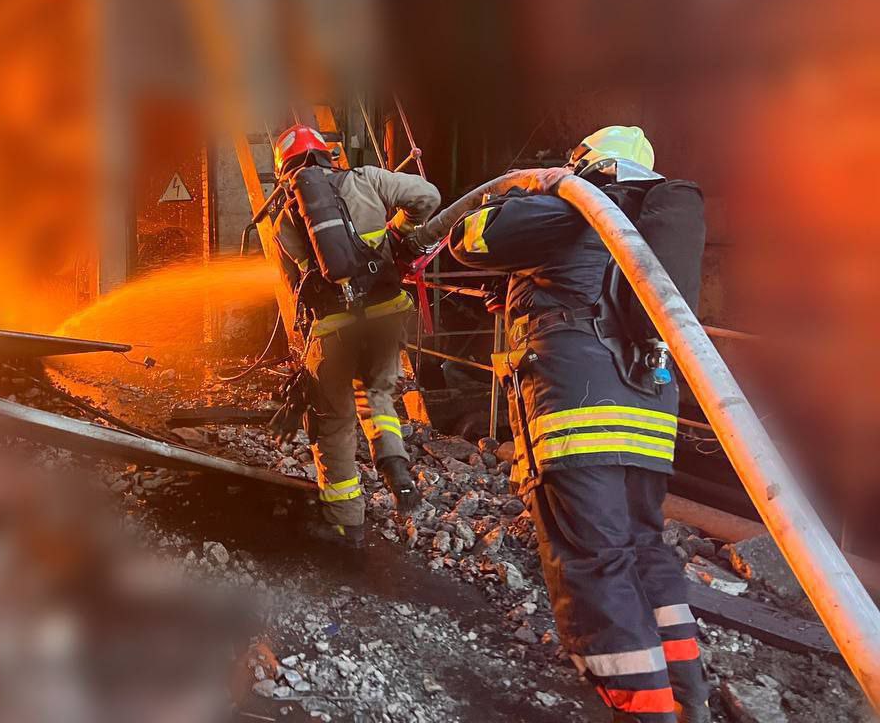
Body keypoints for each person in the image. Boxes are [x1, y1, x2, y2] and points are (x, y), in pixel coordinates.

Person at [418, 125, 710, 722]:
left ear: (587, 162)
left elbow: (473, 239)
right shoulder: (647, 221)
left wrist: (532, 189)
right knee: (643, 547)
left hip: (580, 410)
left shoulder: (577, 205)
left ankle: (642, 710)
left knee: (593, 558)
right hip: (648, 408)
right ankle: (687, 697)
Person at [270, 124, 440, 547]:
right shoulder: (367, 179)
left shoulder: (284, 221)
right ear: (326, 155)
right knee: (378, 394)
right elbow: (428, 197)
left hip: (333, 329)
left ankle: (347, 524)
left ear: (284, 171)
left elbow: (297, 288)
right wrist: (400, 231)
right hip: (385, 315)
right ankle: (395, 466)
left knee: (333, 422)